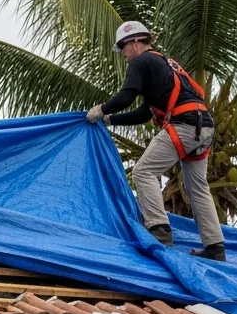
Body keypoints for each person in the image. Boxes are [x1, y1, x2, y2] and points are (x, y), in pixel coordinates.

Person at [86, 21, 226, 261]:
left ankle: (159, 232)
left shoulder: (141, 62)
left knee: (143, 172)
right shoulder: (163, 64)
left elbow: (125, 96)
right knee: (197, 188)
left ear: (134, 42)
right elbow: (144, 113)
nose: (124, 56)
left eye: (123, 49)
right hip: (204, 127)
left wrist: (101, 108)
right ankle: (215, 248)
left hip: (185, 124)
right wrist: (110, 120)